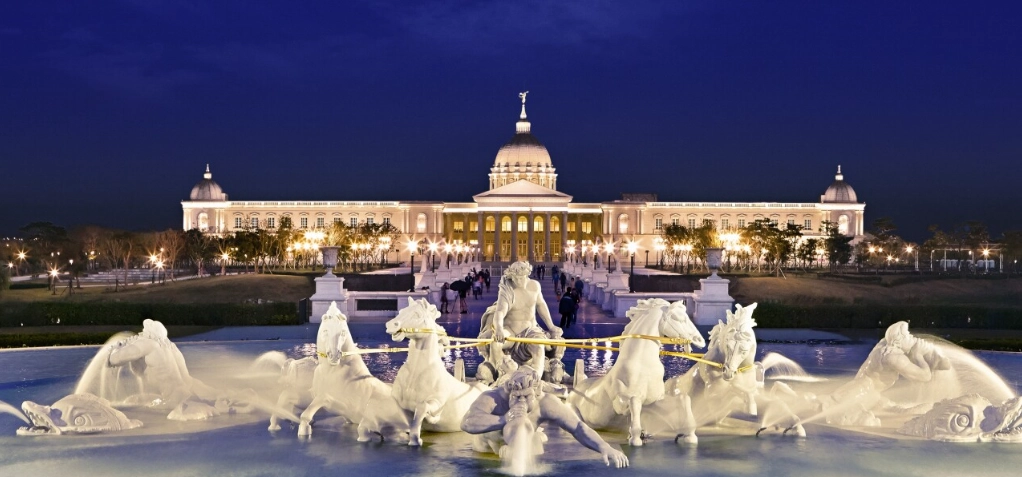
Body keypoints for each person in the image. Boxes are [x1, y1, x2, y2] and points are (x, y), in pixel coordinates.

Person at [460, 366, 629, 468]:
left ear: (536, 393)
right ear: (508, 391)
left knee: (533, 442)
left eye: (526, 397)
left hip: (523, 442)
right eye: (516, 396)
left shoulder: (546, 402)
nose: (521, 401)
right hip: (489, 449)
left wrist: (604, 447)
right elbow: (467, 422)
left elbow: (578, 428)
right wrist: (503, 419)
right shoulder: (493, 398)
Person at [480, 261, 563, 379]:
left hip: (531, 331)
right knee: (496, 343)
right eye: (515, 278)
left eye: (521, 278)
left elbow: (541, 306)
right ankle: (499, 377)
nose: (518, 281)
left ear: (527, 275)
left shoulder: (535, 286)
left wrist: (551, 326)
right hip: (511, 331)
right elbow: (500, 312)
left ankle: (535, 380)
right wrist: (498, 329)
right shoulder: (507, 290)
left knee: (539, 347)